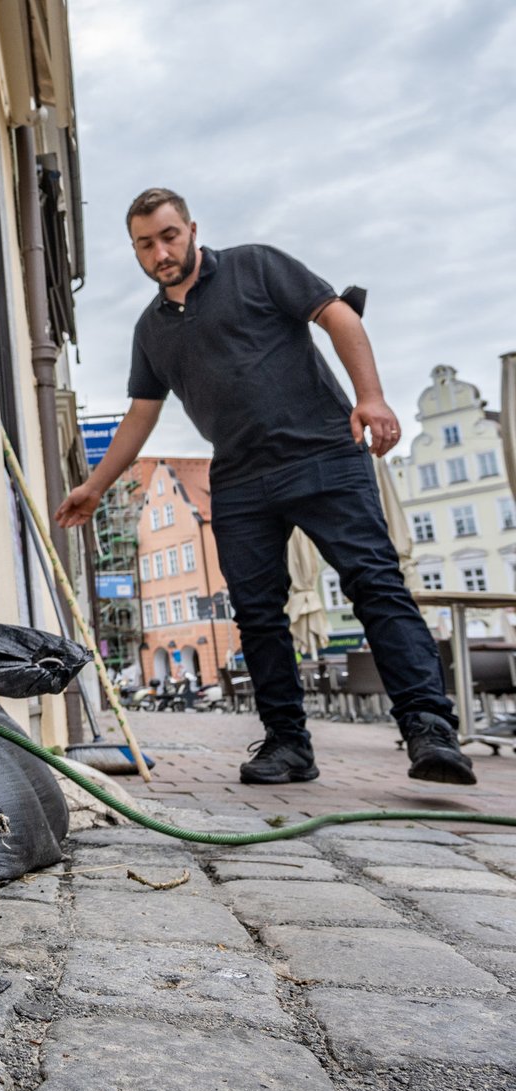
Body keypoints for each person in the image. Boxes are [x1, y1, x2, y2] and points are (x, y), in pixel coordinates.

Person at [57, 189, 474, 786]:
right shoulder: (150, 330)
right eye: (146, 244)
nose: (161, 251)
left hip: (324, 454)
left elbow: (338, 315)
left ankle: (430, 729)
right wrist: (96, 486)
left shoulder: (256, 265)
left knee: (376, 583)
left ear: (192, 229)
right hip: (239, 478)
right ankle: (288, 744)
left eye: (170, 235)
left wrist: (371, 397)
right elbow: (141, 414)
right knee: (256, 615)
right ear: (135, 251)